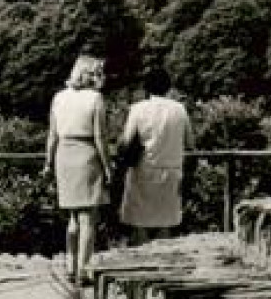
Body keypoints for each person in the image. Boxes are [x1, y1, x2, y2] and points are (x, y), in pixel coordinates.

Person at [44, 53, 110, 282]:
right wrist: (107, 167)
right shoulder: (95, 99)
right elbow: (100, 137)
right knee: (88, 218)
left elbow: (52, 135)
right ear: (90, 74)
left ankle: (71, 265)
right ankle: (84, 268)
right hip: (86, 154)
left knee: (72, 215)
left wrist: (48, 162)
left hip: (64, 154)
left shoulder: (58, 98)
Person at [116, 63, 194, 244]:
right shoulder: (179, 109)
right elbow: (190, 143)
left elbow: (126, 141)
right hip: (172, 169)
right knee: (166, 221)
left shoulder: (137, 109)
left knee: (139, 221)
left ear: (146, 87)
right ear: (168, 87)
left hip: (144, 169)